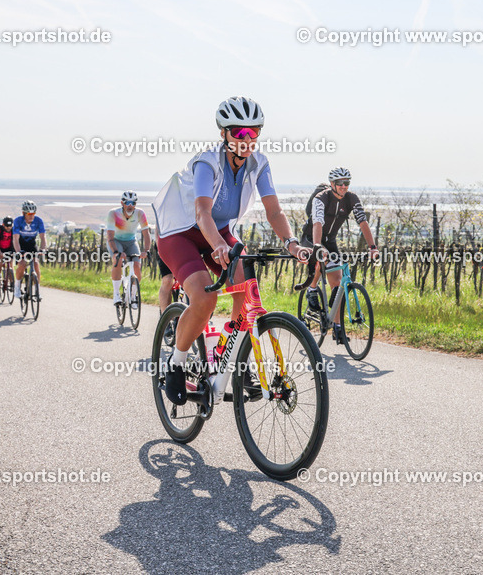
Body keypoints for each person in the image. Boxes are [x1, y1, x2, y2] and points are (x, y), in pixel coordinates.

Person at [153, 96, 310, 405]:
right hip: (180, 231)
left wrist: (291, 242)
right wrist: (221, 246)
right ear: (223, 133)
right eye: (238, 132)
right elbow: (201, 213)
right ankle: (176, 362)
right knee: (205, 297)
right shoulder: (206, 162)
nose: (246, 140)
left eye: (253, 133)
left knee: (244, 284)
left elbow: (274, 212)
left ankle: (233, 358)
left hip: (218, 230)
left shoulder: (259, 163)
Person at [301, 167, 379, 343]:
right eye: (340, 183)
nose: (344, 186)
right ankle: (312, 288)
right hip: (311, 238)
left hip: (330, 241)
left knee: (337, 282)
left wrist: (372, 247)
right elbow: (318, 223)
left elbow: (363, 222)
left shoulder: (352, 198)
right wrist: (317, 247)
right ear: (332, 184)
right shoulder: (321, 198)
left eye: (347, 183)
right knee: (320, 260)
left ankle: (337, 327)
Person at [106, 191, 152, 304]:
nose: (130, 205)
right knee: (118, 260)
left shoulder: (140, 213)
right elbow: (110, 237)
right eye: (127, 202)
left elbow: (146, 233)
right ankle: (116, 294)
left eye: (133, 203)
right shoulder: (113, 213)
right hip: (116, 241)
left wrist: (146, 250)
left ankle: (133, 295)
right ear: (122, 203)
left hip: (131, 241)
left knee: (137, 264)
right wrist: (116, 252)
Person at [13, 201, 47, 300]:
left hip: (32, 244)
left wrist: (43, 249)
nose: (32, 216)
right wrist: (19, 252)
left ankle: (37, 290)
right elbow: (15, 239)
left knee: (36, 265)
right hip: (20, 244)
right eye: (29, 214)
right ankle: (17, 286)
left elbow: (43, 237)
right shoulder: (18, 221)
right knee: (22, 264)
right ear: (24, 213)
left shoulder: (38, 221)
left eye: (33, 213)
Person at [0, 216, 16, 287]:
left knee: (11, 263)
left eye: (10, 226)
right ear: (3, 224)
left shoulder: (14, 229)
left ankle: (12, 282)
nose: (8, 228)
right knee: (0, 262)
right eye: (7, 226)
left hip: (9, 248)